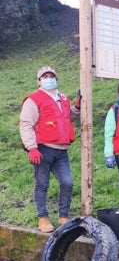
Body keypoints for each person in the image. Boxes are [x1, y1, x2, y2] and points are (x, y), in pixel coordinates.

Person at [19, 66, 80, 232]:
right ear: (39, 81)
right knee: (42, 184)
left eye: (51, 76)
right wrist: (32, 147)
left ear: (56, 79)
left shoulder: (63, 98)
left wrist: (77, 107)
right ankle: (43, 218)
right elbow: (26, 124)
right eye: (45, 76)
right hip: (43, 149)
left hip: (62, 150)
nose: (49, 78)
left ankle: (63, 216)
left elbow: (68, 117)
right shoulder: (33, 99)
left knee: (67, 182)